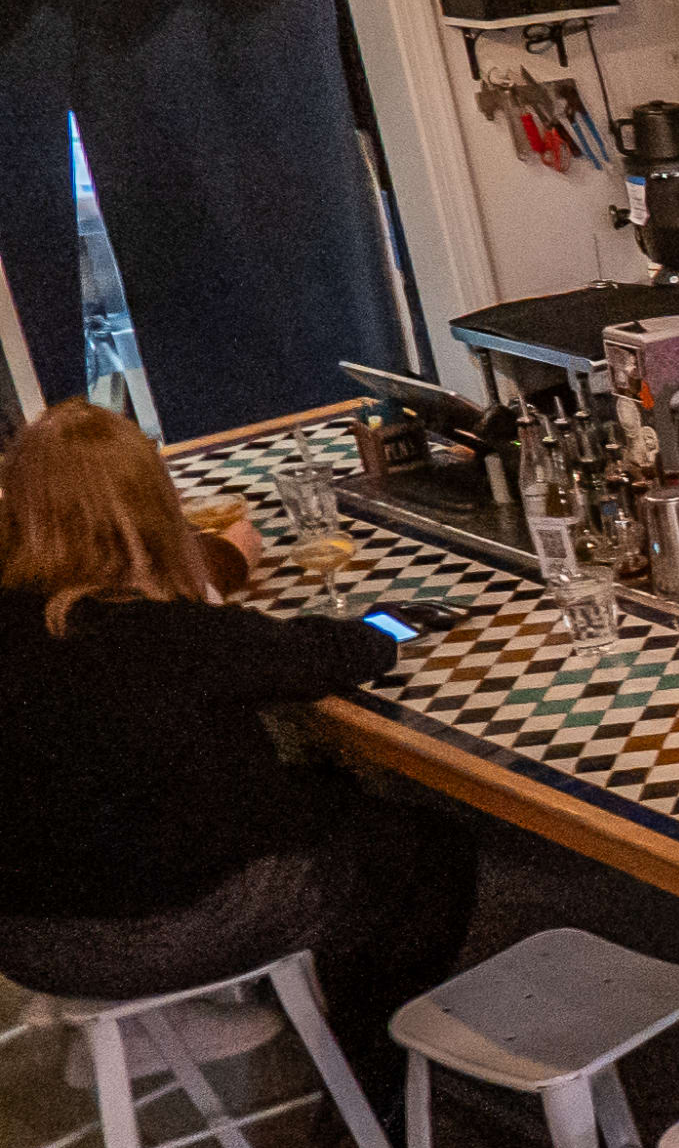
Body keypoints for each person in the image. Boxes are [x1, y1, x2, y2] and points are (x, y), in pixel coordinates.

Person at [0, 404, 477, 1098]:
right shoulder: (168, 637)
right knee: (424, 850)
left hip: (25, 940)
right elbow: (338, 652)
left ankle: (287, 1014)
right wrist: (388, 630)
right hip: (163, 932)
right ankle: (378, 1084)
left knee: (323, 796)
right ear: (153, 507)